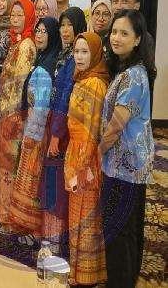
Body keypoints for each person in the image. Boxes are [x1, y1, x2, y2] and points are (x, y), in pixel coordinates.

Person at [100, 10, 156, 288]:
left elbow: (116, 125)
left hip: (125, 166)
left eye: (124, 33)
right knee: (126, 229)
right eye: (114, 32)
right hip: (126, 166)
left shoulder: (133, 76)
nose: (116, 38)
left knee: (119, 232)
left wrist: (98, 151)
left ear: (137, 40)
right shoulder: (128, 70)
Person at [10, 16, 60, 243]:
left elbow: (41, 108)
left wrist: (31, 136)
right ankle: (27, 227)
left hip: (37, 133)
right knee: (28, 180)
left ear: (52, 35)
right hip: (32, 128)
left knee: (33, 180)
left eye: (44, 32)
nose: (39, 35)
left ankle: (34, 230)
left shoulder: (48, 66)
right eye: (37, 31)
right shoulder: (42, 59)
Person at [65, 31, 110, 286]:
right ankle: (78, 271)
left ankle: (87, 274)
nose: (79, 57)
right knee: (78, 215)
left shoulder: (94, 83)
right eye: (76, 51)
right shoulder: (82, 78)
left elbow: (93, 131)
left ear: (95, 55)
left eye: (85, 52)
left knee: (86, 215)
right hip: (77, 151)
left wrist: (81, 167)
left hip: (87, 156)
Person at [41, 7, 86, 255]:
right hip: (55, 125)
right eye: (62, 25)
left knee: (57, 182)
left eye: (70, 25)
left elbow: (65, 98)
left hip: (65, 131)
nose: (65, 30)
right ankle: (52, 237)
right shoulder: (63, 54)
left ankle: (55, 240)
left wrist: (56, 135)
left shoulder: (73, 60)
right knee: (52, 180)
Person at [0, 0, 36, 231]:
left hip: (14, 116)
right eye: (13, 15)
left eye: (21, 15)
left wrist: (13, 116)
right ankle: (3, 214)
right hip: (5, 114)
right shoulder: (15, 43)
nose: (16, 19)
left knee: (11, 166)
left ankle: (10, 217)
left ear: (28, 18)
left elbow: (19, 84)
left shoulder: (27, 46)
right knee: (4, 165)